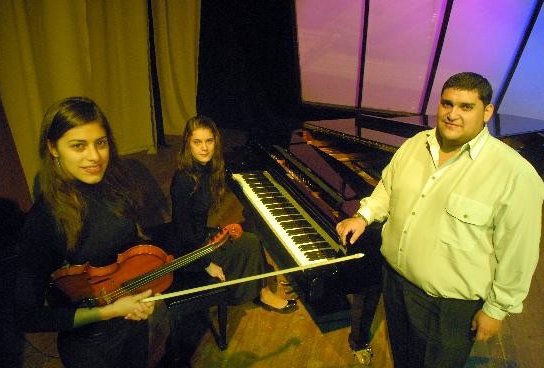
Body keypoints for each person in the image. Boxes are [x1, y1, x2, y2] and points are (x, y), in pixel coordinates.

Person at [336, 72, 542, 368]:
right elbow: (387, 188)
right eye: (447, 104)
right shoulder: (417, 143)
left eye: (466, 107)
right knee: (404, 360)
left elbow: (519, 253)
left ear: (487, 112)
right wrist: (364, 215)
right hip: (396, 284)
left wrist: (497, 309)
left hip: (448, 307)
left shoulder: (515, 175)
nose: (453, 114)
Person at [15, 97, 156, 368]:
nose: (95, 157)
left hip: (134, 323)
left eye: (100, 143)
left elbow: (128, 250)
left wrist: (142, 291)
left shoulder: (116, 184)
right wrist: (108, 311)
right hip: (92, 346)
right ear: (53, 148)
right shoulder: (43, 221)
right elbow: (28, 316)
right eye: (78, 146)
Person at [169, 115, 298, 313]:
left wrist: (283, 173)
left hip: (201, 237)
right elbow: (183, 232)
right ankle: (261, 293)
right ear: (188, 144)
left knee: (250, 240)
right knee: (250, 243)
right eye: (197, 142)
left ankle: (260, 290)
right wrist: (206, 264)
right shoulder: (183, 180)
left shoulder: (208, 167)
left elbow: (238, 170)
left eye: (209, 141)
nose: (204, 148)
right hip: (190, 253)